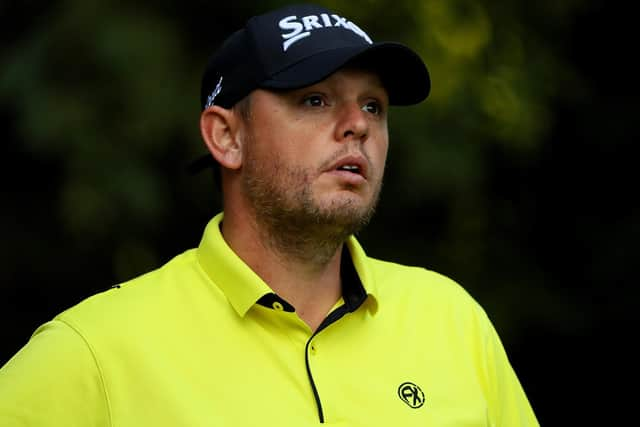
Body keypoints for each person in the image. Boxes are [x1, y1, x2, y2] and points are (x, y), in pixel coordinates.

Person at [0, 3, 539, 426]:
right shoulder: (90, 355)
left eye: (373, 105)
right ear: (227, 137)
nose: (358, 125)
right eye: (315, 100)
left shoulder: (452, 321)